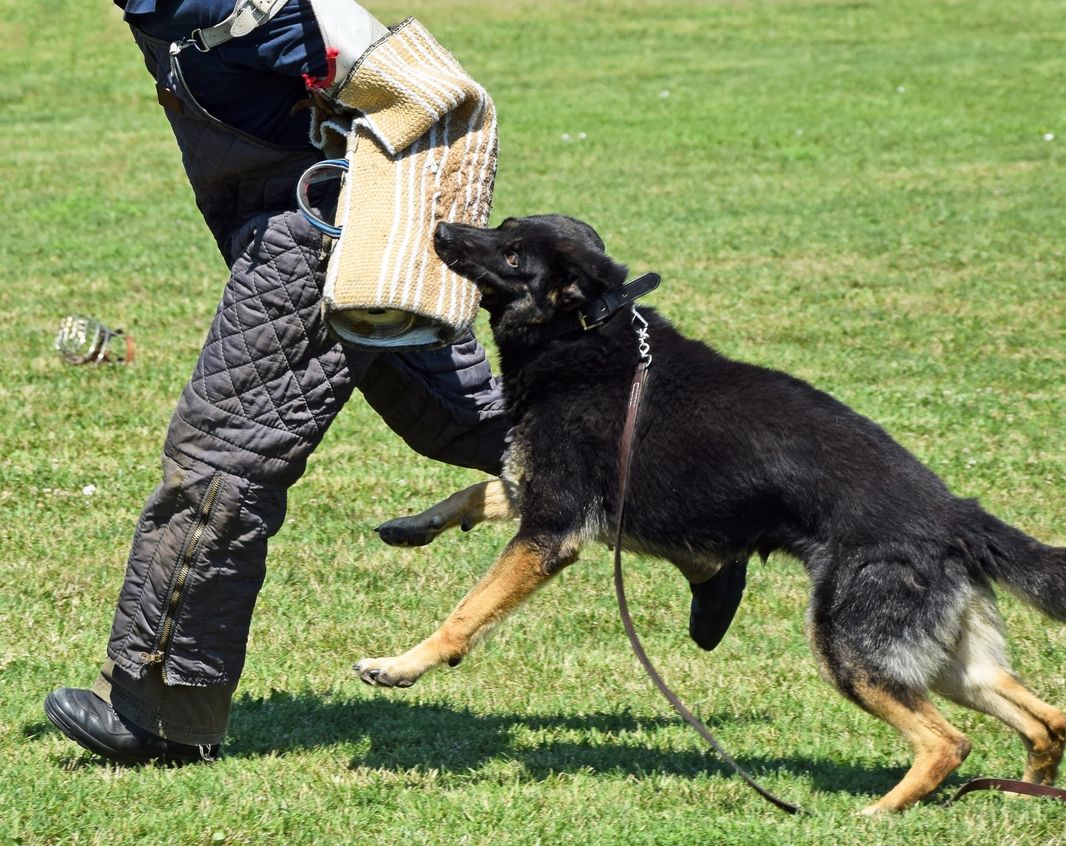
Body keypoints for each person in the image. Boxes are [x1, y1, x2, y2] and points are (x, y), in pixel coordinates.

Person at [44, 0, 746, 764]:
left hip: (325, 247)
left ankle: (165, 713)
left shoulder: (252, 5)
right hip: (311, 233)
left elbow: (444, 94)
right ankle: (703, 536)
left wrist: (419, 242)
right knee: (476, 424)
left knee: (222, 460)